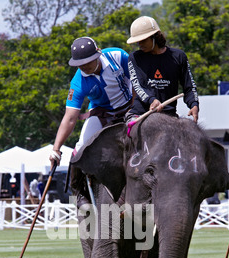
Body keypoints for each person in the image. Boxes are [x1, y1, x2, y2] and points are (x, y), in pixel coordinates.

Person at [49, 36, 132, 206]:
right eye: (80, 64)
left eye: (88, 62)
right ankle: (78, 193)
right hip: (103, 113)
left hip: (130, 107)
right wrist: (56, 149)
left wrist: (136, 107)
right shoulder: (78, 82)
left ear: (98, 53)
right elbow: (70, 117)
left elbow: (137, 82)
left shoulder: (117, 55)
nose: (84, 68)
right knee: (80, 148)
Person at [126, 16, 199, 123]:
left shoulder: (179, 56)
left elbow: (189, 86)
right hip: (140, 114)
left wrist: (194, 104)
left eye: (143, 40)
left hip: (168, 116)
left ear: (155, 36)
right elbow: (138, 86)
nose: (139, 44)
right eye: (137, 41)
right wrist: (152, 100)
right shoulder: (134, 58)